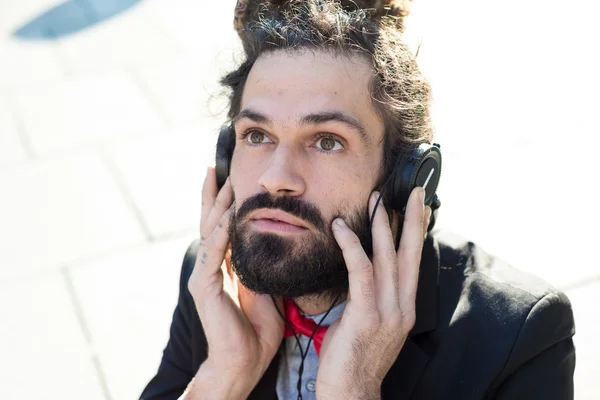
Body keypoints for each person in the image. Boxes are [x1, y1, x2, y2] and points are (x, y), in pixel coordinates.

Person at [140, 1, 576, 399]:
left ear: (405, 180)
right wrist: (223, 376)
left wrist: (355, 390)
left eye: (326, 141)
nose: (275, 179)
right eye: (257, 135)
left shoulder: (520, 335)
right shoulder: (213, 282)